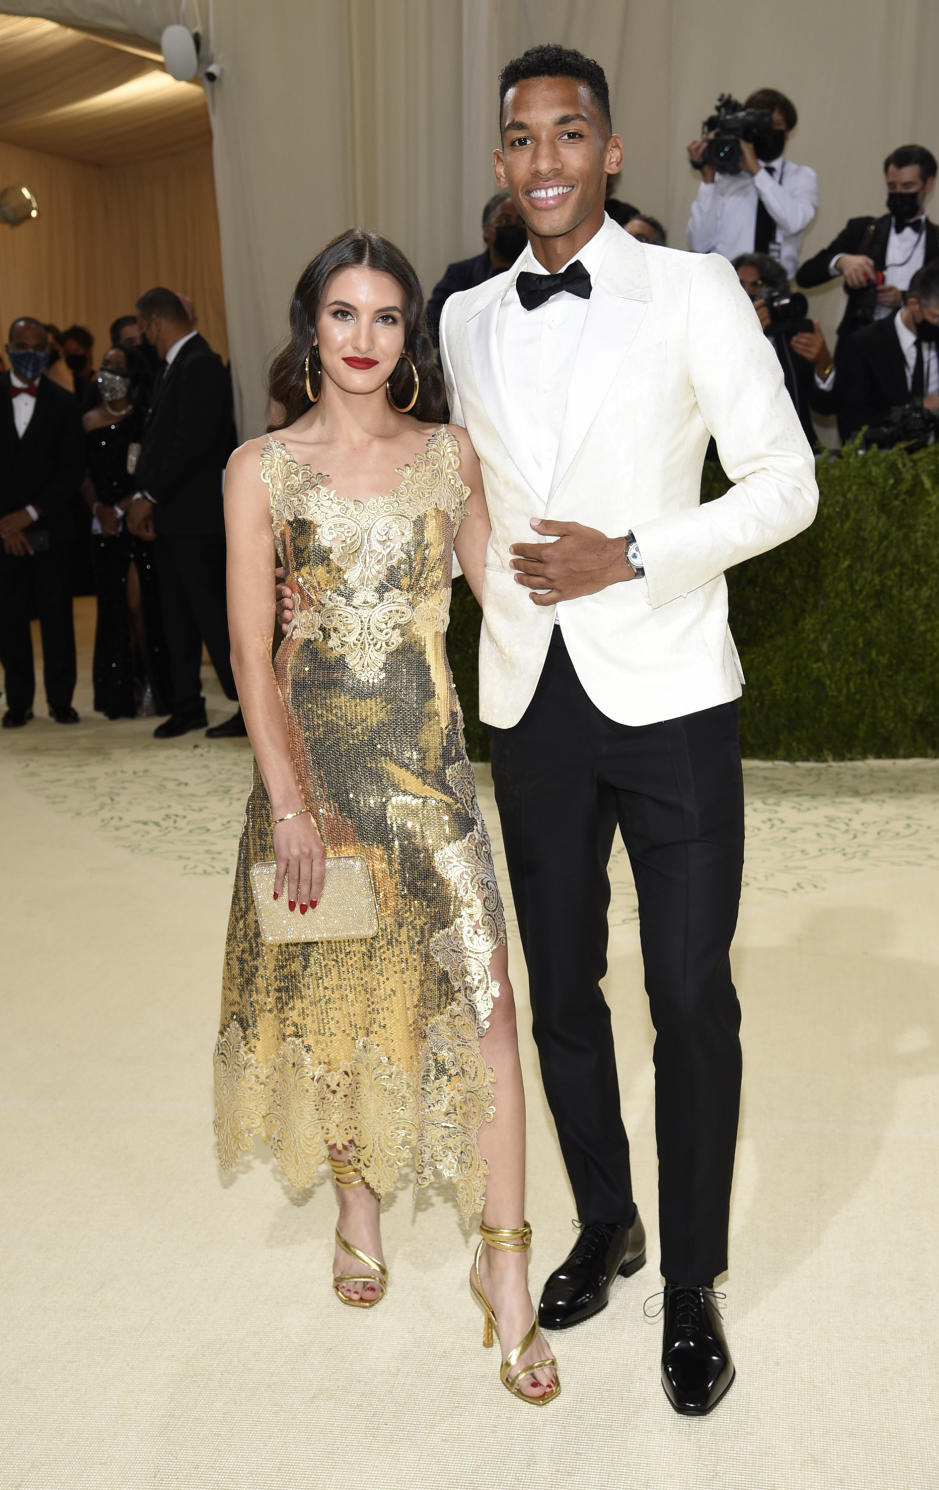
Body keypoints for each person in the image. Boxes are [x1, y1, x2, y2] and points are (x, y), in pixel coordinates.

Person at [437, 45, 818, 1416]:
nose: (544, 158)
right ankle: (609, 1219)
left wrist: (633, 555)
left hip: (669, 698)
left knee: (688, 992)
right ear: (501, 165)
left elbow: (787, 486)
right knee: (561, 991)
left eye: (570, 132)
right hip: (530, 703)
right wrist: (498, 592)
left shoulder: (694, 288)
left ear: (607, 151)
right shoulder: (467, 316)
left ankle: (694, 1281)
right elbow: (466, 485)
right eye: (521, 138)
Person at [214, 228, 559, 1407]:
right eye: (344, 314)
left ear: (411, 338)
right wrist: (291, 806)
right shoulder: (258, 469)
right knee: (337, 996)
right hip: (315, 783)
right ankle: (357, 1194)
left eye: (388, 318)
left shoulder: (447, 456)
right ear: (311, 323)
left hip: (433, 777)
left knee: (489, 1006)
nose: (365, 340)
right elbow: (255, 660)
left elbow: (503, 596)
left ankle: (503, 1270)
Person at [125, 287, 242, 739]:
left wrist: (148, 495)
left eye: (143, 328)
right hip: (176, 516)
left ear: (153, 321)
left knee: (211, 614)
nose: (143, 338)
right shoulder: (177, 365)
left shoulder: (201, 364)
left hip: (197, 519)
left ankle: (247, 709)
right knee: (177, 614)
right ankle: (187, 704)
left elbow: (189, 443)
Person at [0, 316, 84, 727]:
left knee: (56, 619)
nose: (29, 354)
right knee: (8, 618)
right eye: (21, 345)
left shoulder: (64, 402)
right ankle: (18, 703)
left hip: (50, 526)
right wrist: (6, 524)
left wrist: (28, 516)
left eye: (37, 347)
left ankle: (60, 700)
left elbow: (70, 473)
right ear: (7, 347)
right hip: (2, 531)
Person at [81, 344, 170, 718]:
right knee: (112, 607)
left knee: (139, 605)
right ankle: (121, 691)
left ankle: (152, 681)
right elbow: (80, 473)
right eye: (105, 367)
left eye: (117, 368)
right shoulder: (86, 420)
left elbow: (151, 473)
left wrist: (122, 507)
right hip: (102, 525)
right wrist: (99, 509)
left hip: (135, 521)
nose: (108, 375)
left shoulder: (145, 420)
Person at [796, 145, 939, 341]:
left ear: (929, 184)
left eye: (908, 187)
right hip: (861, 343)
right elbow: (805, 276)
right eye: (892, 187)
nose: (899, 193)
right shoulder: (862, 231)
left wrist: (904, 299)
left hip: (923, 344)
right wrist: (840, 262)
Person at [686, 88, 818, 279]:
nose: (767, 133)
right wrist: (708, 181)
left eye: (776, 125)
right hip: (726, 285)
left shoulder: (801, 176)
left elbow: (794, 222)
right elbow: (698, 243)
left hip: (774, 291)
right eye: (761, 127)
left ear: (788, 132)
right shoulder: (724, 178)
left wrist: (757, 171)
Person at [835, 261, 939, 443]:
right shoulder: (865, 344)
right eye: (938, 317)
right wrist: (915, 410)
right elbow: (851, 421)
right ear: (913, 304)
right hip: (885, 456)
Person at [733, 252, 836, 446]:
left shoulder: (797, 331)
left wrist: (824, 363)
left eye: (756, 285)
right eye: (739, 285)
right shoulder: (718, 333)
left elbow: (825, 406)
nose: (746, 293)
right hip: (736, 448)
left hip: (795, 446)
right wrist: (747, 334)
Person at [425, 191, 527, 341]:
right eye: (504, 221)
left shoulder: (538, 275)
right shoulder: (460, 274)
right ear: (486, 229)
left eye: (520, 222)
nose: (513, 227)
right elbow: (432, 325)